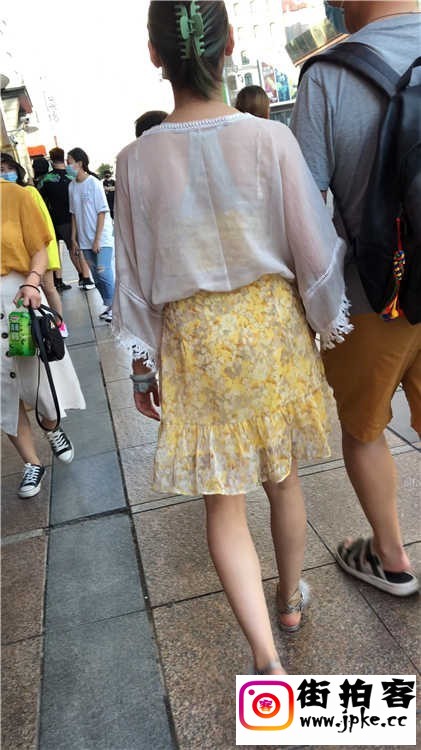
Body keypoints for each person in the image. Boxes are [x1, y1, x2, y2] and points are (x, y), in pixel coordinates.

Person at [113, 1, 352, 675]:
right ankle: (290, 599)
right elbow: (313, 247)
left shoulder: (134, 160)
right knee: (282, 476)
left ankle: (265, 656)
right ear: (229, 46)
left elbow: (132, 275)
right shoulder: (268, 138)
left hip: (194, 340)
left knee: (223, 499)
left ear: (155, 54)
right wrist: (326, 321)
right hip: (270, 328)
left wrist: (142, 367)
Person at [291, 0, 420, 596]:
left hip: (374, 294)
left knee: (365, 430)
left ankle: (392, 560)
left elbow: (305, 207)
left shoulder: (328, 75)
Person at [1, 175, 86, 498]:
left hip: (18, 301)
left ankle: (52, 427)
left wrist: (33, 281)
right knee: (4, 397)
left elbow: (40, 248)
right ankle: (31, 463)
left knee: (41, 388)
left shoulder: (17, 196)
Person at [1, 153, 69, 338]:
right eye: (2, 170)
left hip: (21, 291)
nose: (6, 173)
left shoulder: (24, 193)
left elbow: (42, 232)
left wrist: (33, 280)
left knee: (49, 287)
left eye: (9, 169)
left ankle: (59, 325)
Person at [67, 148, 115, 323]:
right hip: (84, 240)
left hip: (102, 238)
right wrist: (74, 238)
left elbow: (102, 211)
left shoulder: (94, 183)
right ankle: (109, 306)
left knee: (103, 271)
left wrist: (97, 240)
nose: (67, 165)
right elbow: (74, 214)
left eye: (69, 162)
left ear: (80, 163)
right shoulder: (72, 186)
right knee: (96, 276)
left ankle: (117, 308)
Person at [40, 147, 94, 291]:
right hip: (72, 218)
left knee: (57, 250)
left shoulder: (46, 179)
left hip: (53, 220)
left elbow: (40, 199)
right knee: (75, 248)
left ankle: (59, 280)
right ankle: (85, 277)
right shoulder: (72, 177)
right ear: (64, 158)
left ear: (51, 160)